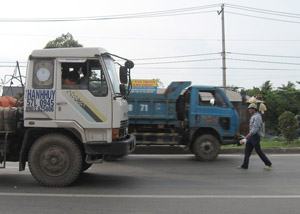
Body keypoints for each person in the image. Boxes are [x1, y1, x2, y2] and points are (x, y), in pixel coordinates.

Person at [239, 103, 272, 170]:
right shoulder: (253, 116)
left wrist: (247, 136)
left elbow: (255, 128)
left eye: (250, 109)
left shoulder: (257, 117)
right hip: (252, 136)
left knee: (258, 151)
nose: (249, 110)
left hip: (255, 136)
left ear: (254, 109)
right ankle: (245, 165)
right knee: (247, 151)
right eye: (249, 109)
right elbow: (252, 128)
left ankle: (268, 163)